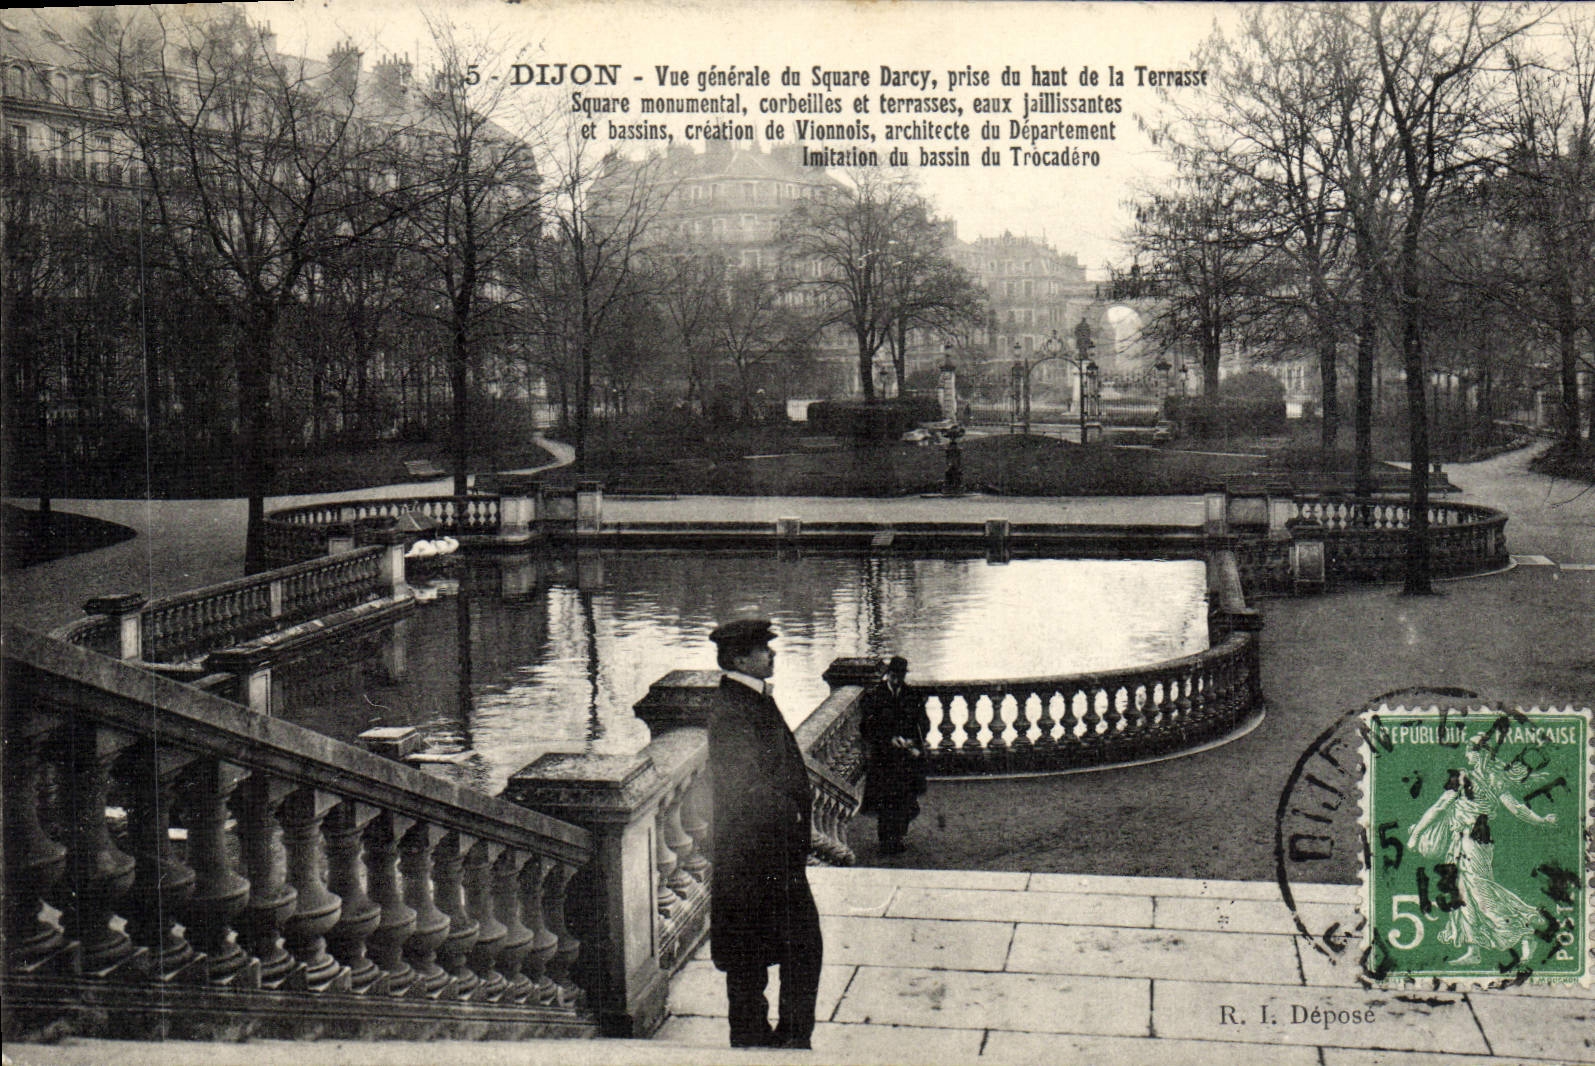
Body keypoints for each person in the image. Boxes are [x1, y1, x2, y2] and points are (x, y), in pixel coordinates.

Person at [706, 618, 822, 1050]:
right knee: (788, 948)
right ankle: (783, 1038)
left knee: (752, 951)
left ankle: (758, 1036)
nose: (771, 654)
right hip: (759, 855)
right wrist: (791, 814)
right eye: (762, 649)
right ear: (740, 659)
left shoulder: (748, 698)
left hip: (760, 853)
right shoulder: (734, 709)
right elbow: (747, 785)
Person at [1405, 737, 1559, 965]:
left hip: (1472, 843)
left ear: (1480, 755)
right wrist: (1541, 820)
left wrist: (1416, 835)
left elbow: (1439, 807)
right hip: (1464, 842)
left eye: (1470, 750)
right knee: (1462, 893)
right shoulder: (1494, 780)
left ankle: (1526, 928)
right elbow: (1517, 809)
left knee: (1480, 893)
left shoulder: (1467, 778)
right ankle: (1474, 950)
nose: (1467, 755)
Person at [859, 656, 928, 854]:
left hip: (905, 758)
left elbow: (923, 723)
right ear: (888, 675)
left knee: (904, 799)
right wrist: (888, 739)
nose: (897, 679)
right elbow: (867, 727)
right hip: (884, 758)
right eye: (894, 675)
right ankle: (886, 840)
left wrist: (912, 741)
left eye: (901, 675)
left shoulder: (912, 696)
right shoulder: (875, 696)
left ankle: (898, 836)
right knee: (885, 800)